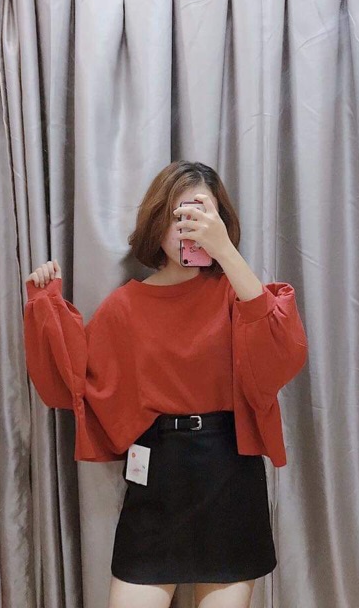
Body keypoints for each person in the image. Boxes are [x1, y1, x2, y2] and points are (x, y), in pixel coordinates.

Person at [23, 160, 308, 608]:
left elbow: (283, 354)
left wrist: (226, 253)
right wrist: (46, 304)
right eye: (179, 215)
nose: (189, 228)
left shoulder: (237, 292)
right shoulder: (125, 306)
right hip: (156, 476)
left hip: (229, 473)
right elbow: (70, 385)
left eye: (202, 214)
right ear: (157, 221)